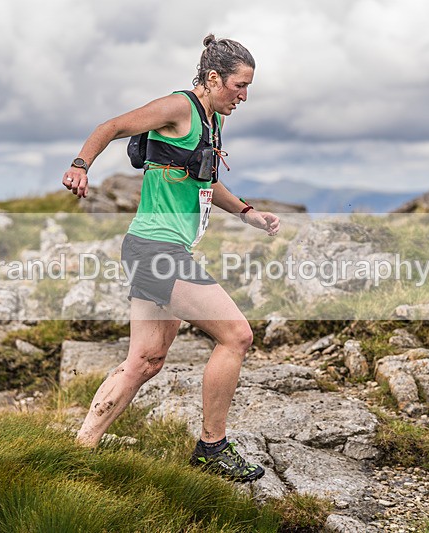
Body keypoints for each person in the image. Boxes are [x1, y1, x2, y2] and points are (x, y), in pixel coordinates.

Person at [61, 34, 280, 483]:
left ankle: (77, 452)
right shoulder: (179, 107)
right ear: (213, 78)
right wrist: (81, 166)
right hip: (156, 251)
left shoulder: (213, 121)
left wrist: (247, 213)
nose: (244, 96)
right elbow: (110, 126)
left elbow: (205, 182)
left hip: (157, 250)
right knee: (237, 335)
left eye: (248, 87)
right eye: (239, 85)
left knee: (145, 360)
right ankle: (212, 448)